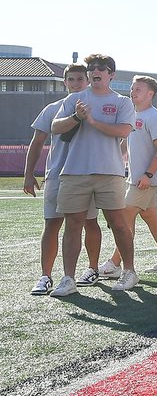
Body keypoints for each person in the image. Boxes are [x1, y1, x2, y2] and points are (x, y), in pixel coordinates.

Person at [49, 54, 139, 295]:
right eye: (93, 68)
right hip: (75, 171)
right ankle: (68, 278)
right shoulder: (74, 99)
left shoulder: (122, 102)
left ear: (112, 75)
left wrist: (92, 121)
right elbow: (55, 127)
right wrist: (77, 117)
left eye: (103, 68)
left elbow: (123, 130)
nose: (96, 71)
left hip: (110, 172)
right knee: (73, 224)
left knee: (118, 223)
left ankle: (129, 271)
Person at [25, 64, 107, 295]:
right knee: (52, 223)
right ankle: (45, 276)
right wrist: (29, 174)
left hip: (85, 174)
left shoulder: (97, 107)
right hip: (57, 174)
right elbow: (38, 141)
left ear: (88, 80)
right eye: (71, 79)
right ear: (65, 82)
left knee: (89, 222)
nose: (75, 83)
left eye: (80, 79)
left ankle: (92, 268)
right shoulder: (52, 108)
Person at [98, 75, 157, 280]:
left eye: (138, 89)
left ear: (150, 94)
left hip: (145, 180)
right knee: (151, 217)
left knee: (124, 218)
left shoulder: (153, 117)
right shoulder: (133, 115)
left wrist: (148, 174)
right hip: (138, 179)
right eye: (132, 88)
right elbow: (126, 145)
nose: (133, 92)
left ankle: (115, 264)